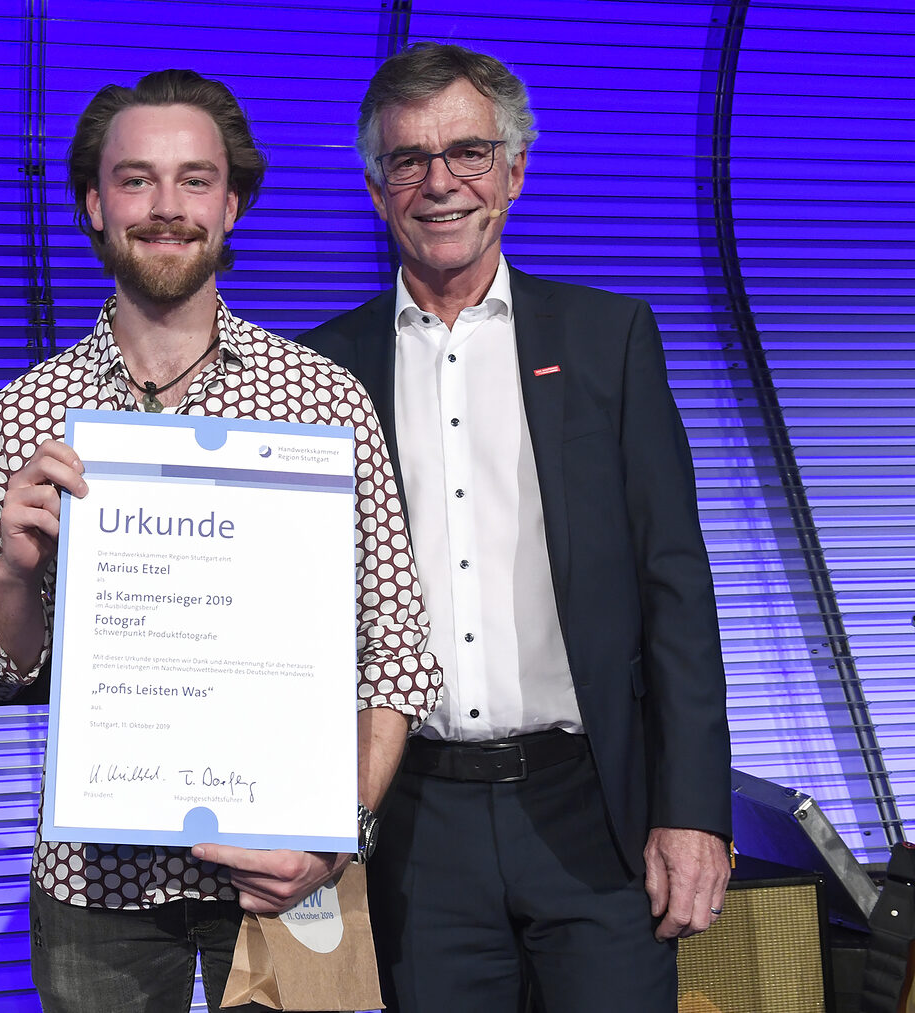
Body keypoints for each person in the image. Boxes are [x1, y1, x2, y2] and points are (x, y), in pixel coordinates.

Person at [0, 69, 440, 1013]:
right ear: (95, 204)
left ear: (232, 202)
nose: (165, 207)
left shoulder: (323, 400)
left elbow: (396, 651)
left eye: (193, 180)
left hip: (284, 875)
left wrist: (335, 833)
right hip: (95, 891)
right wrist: (15, 570)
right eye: (135, 180)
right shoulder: (22, 417)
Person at [299, 42, 733, 1012]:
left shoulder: (606, 339)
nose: (438, 181)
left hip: (592, 810)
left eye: (466, 151)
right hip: (415, 822)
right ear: (375, 190)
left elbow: (675, 584)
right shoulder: (320, 371)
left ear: (513, 170)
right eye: (407, 159)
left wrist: (691, 811)